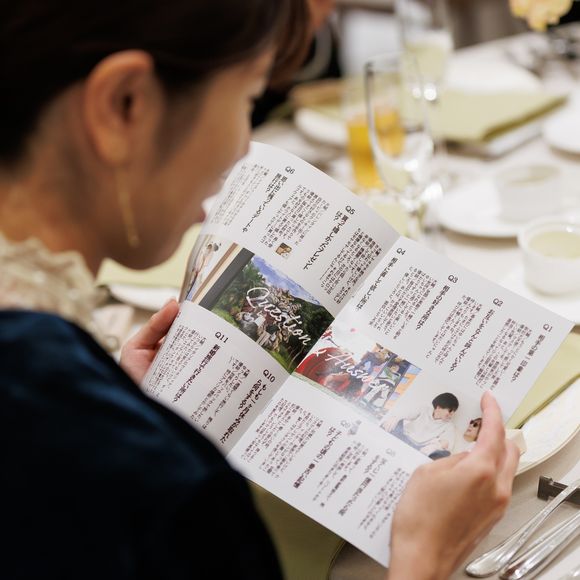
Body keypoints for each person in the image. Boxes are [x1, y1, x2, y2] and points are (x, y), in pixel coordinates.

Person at [0, 1, 519, 579]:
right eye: (247, 100)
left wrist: (121, 403)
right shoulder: (142, 474)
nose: (244, 149)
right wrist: (424, 556)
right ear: (125, 104)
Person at [382, 392, 459, 460]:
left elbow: (447, 443)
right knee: (390, 421)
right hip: (404, 437)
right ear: (438, 407)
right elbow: (406, 413)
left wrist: (435, 446)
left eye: (453, 412)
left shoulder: (449, 425)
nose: (451, 415)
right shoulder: (424, 409)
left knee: (445, 454)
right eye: (450, 411)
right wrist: (395, 418)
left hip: (421, 449)